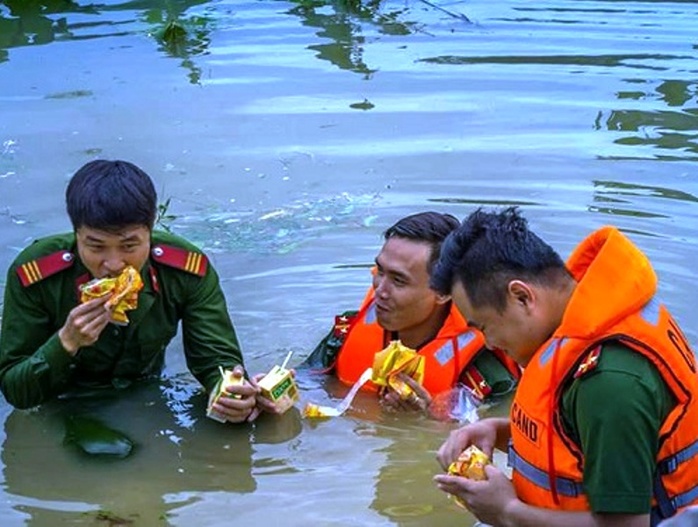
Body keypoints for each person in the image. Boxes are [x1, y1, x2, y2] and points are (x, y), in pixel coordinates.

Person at [430, 207, 698, 526]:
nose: (488, 344)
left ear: (522, 297)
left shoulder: (608, 380)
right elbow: (581, 443)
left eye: (484, 326)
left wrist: (507, 513)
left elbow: (629, 525)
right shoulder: (592, 317)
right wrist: (499, 431)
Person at [0, 159, 263, 423]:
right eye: (96, 247)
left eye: (129, 246)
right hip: (62, 403)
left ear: (151, 231)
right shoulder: (35, 274)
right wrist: (66, 342)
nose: (113, 265)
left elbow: (215, 359)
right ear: (76, 235)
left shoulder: (185, 270)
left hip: (146, 390)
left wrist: (230, 392)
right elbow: (15, 391)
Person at [302, 211, 521, 416]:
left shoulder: (484, 371)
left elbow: (497, 434)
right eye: (380, 272)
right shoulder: (345, 334)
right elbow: (302, 382)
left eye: (398, 280)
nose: (379, 290)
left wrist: (426, 419)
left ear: (443, 292)